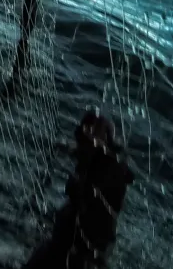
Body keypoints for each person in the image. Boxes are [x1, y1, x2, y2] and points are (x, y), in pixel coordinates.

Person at [22, 110, 135, 269]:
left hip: (82, 253)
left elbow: (85, 190)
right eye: (81, 141)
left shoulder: (111, 169)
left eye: (87, 143)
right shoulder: (96, 159)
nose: (82, 148)